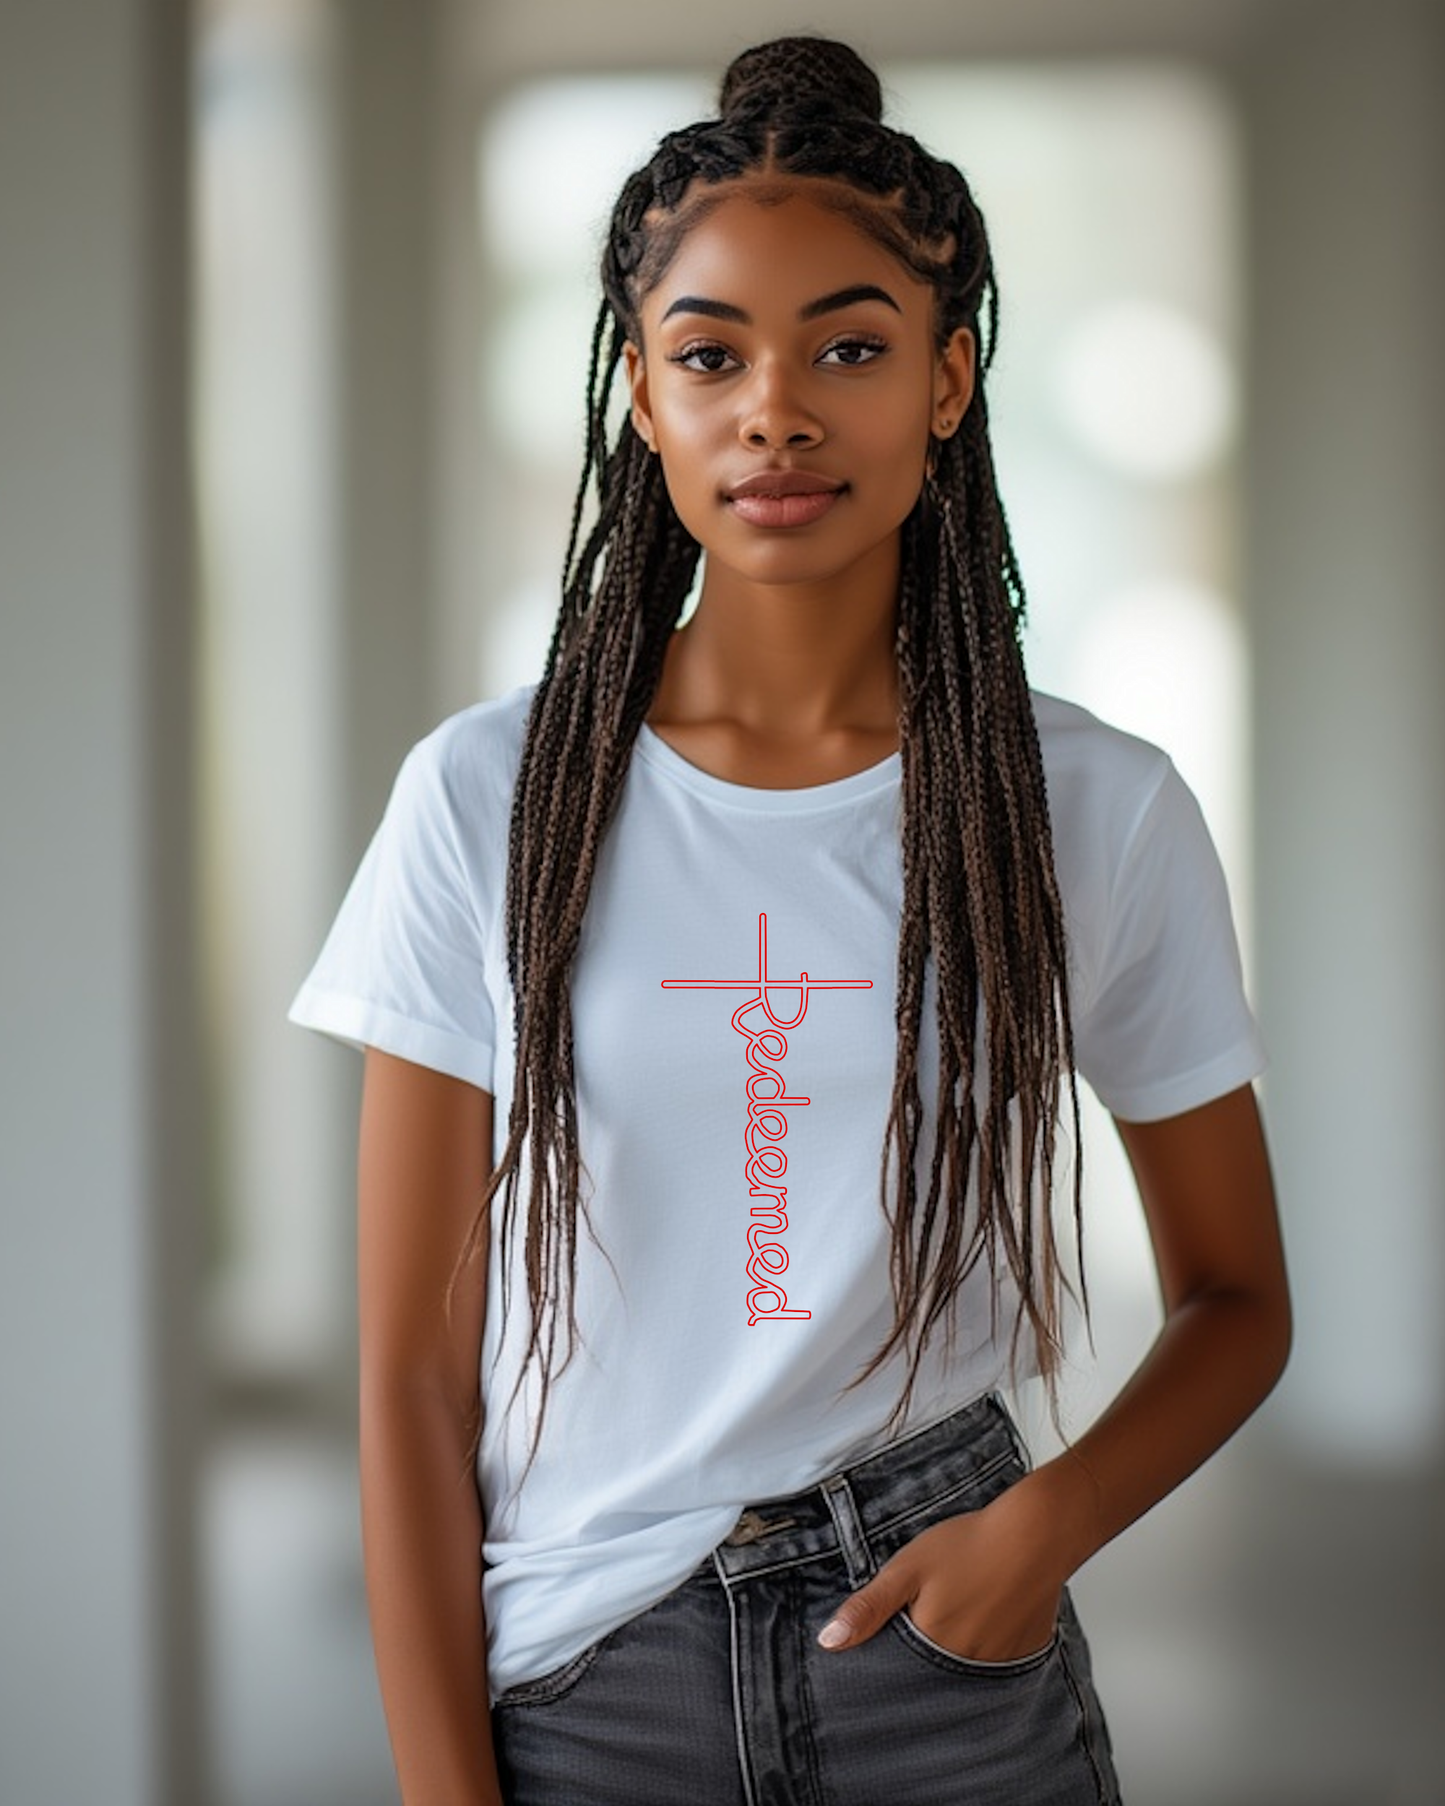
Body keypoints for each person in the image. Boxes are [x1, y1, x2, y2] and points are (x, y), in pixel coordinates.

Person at [289, 34, 1291, 1806]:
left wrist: (1035, 1534)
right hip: (589, 1673)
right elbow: (408, 1378)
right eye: (709, 355)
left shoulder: (1092, 809)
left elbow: (1234, 1295)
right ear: (641, 404)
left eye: (848, 345)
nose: (777, 409)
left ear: (949, 379)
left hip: (943, 1658)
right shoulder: (488, 800)